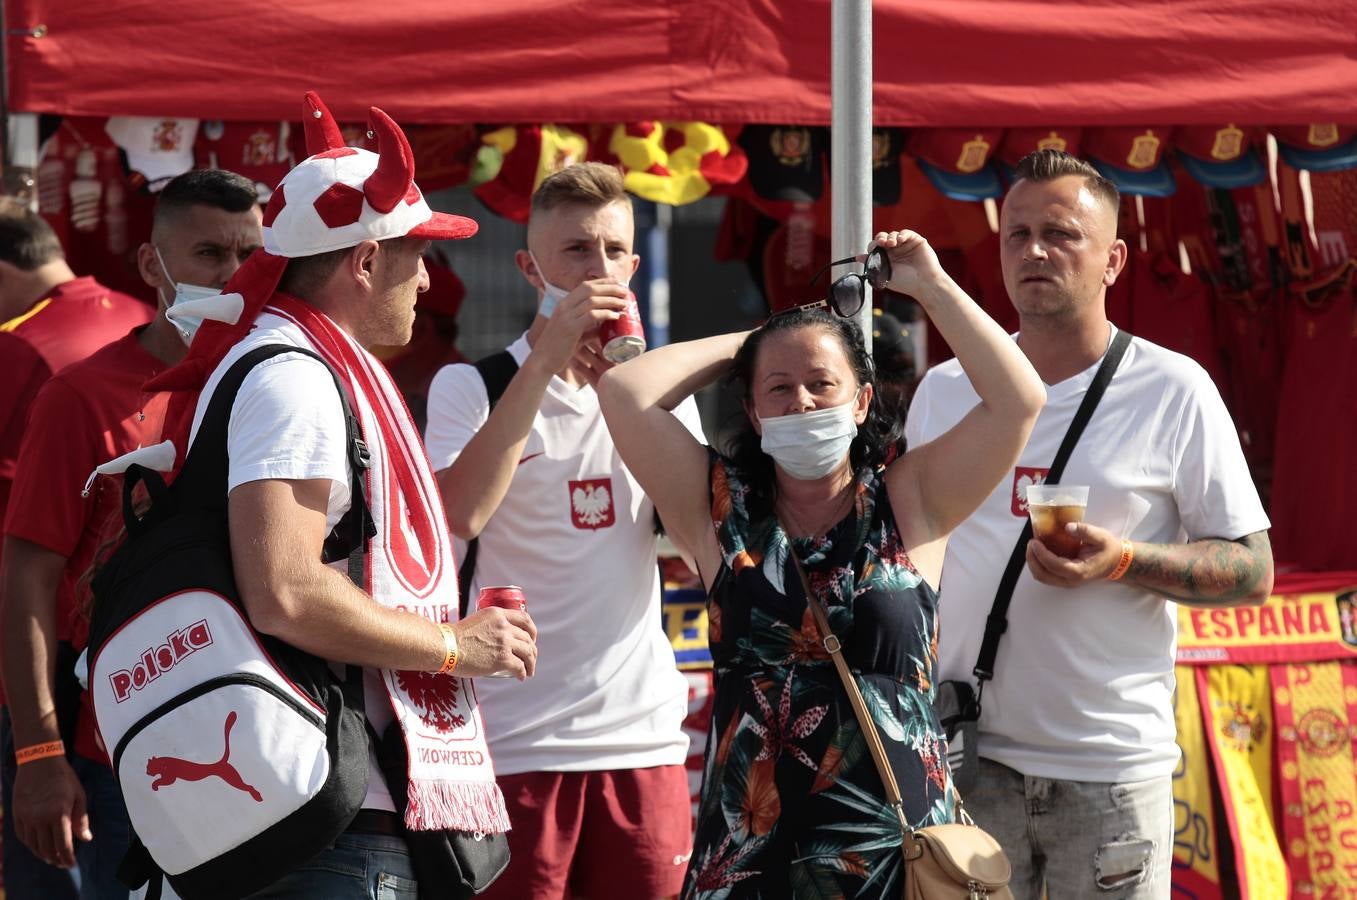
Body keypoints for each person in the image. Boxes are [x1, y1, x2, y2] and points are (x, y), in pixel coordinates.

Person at [141, 93, 533, 897]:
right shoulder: (296, 380)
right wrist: (457, 647)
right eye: (415, 255)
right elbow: (285, 590)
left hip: (307, 804)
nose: (428, 280)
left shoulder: (284, 360)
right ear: (363, 261)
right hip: (322, 821)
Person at [597, 230, 1046, 897]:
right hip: (753, 858)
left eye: (821, 383)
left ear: (861, 401)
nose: (801, 402)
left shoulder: (908, 496)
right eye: (778, 388)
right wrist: (766, 337)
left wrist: (930, 287)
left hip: (900, 853)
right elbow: (625, 389)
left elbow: (1018, 400)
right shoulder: (718, 509)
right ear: (749, 410)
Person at [904, 149, 1274, 899]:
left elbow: (1250, 571)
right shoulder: (945, 391)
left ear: (1112, 260)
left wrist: (1123, 560)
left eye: (1060, 234)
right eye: (1016, 233)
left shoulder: (1173, 390)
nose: (1033, 251)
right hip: (965, 757)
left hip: (1108, 768)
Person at [424, 161, 703, 900]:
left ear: (636, 265)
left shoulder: (658, 395)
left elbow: (699, 540)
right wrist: (548, 357)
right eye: (576, 251)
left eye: (613, 251)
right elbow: (459, 514)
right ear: (529, 267)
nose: (597, 269)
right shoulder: (471, 385)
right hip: (513, 742)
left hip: (641, 740)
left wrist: (635, 392)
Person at [0, 170, 261, 899]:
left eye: (252, 254)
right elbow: (27, 578)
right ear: (152, 265)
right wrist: (39, 752)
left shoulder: (278, 383)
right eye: (210, 254)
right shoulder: (81, 395)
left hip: (255, 747)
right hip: (114, 757)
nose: (235, 276)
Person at [0, 196, 153, 900]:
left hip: (47, 669)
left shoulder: (19, 344)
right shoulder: (135, 317)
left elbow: (25, 552)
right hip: (145, 661)